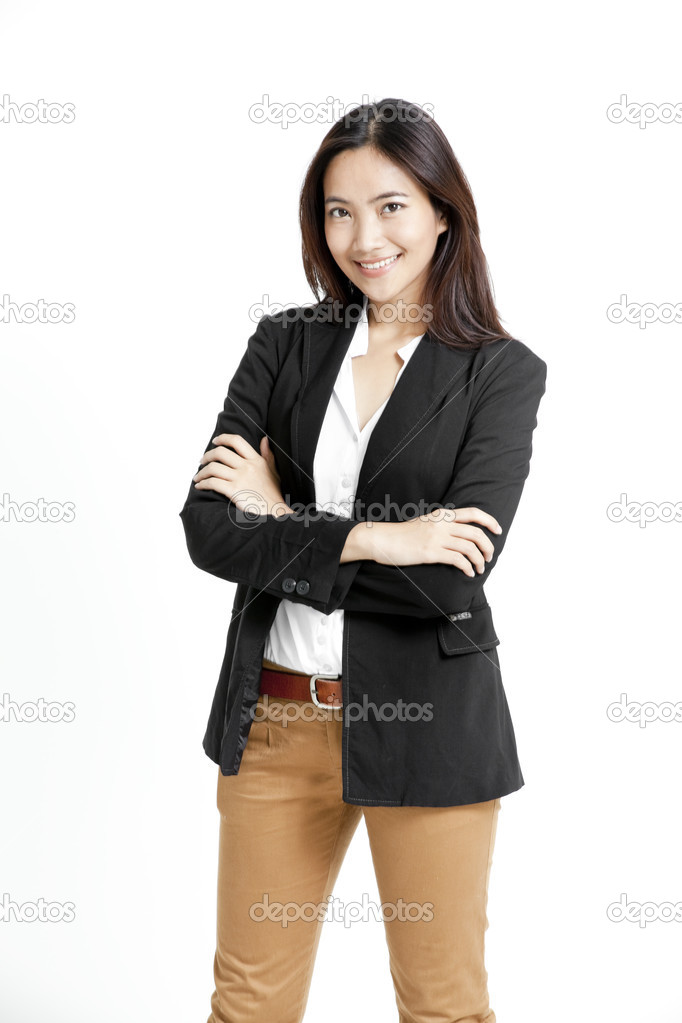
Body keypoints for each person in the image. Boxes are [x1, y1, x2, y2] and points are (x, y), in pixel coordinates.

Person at [179, 97, 548, 1023]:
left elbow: (448, 579)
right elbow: (209, 530)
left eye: (390, 205)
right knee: (248, 1003)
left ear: (440, 211)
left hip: (431, 722)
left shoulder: (499, 372)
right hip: (274, 717)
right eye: (338, 210)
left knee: (441, 1005)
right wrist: (379, 534)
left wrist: (286, 517)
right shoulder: (285, 344)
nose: (362, 236)